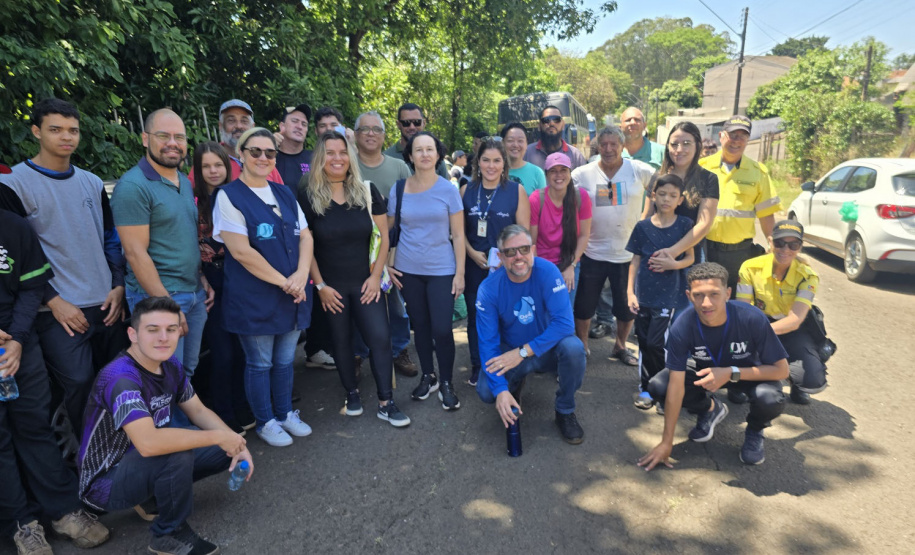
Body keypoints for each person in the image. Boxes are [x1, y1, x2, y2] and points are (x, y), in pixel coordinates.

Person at [78, 296, 253, 555]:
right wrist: (218, 436)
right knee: (175, 450)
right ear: (132, 334)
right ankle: (168, 535)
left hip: (140, 463)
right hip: (105, 481)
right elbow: (149, 444)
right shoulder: (121, 378)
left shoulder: (169, 364)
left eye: (171, 329)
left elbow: (198, 410)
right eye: (152, 330)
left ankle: (152, 497)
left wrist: (234, 442)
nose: (163, 337)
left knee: (225, 447)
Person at [0, 98, 127, 435]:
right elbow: (14, 259)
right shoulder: (13, 184)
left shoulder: (92, 182)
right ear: (36, 131)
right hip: (56, 310)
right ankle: (91, 464)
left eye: (73, 130)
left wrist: (118, 285)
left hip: (106, 302)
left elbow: (110, 238)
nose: (66, 137)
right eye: (55, 129)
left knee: (118, 381)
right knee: (81, 386)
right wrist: (53, 300)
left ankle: (128, 458)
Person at [1, 209, 110, 555]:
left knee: (35, 428)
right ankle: (21, 524)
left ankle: (62, 512)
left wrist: (17, 338)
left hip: (19, 344)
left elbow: (32, 287)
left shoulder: (12, 225)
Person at [212, 128, 314, 447]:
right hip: (255, 298)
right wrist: (288, 282)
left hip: (293, 293)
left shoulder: (283, 193)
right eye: (255, 151)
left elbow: (307, 236)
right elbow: (241, 252)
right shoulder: (228, 196)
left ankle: (284, 413)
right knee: (260, 363)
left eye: (270, 153)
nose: (263, 158)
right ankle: (265, 421)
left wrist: (300, 275)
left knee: (285, 360)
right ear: (240, 154)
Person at [301, 131, 411, 426]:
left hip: (366, 283)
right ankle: (351, 393)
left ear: (350, 157)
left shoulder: (366, 190)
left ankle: (386, 402)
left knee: (380, 338)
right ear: (320, 159)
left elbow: (383, 238)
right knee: (342, 343)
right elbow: (306, 245)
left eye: (342, 152)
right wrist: (320, 286)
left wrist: (376, 276)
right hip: (331, 287)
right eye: (330, 153)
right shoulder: (308, 196)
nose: (337, 158)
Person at [638, 263, 789, 469]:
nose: (706, 303)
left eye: (714, 294)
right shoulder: (682, 326)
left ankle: (755, 429)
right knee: (658, 386)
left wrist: (730, 373)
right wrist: (666, 442)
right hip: (706, 372)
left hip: (747, 375)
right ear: (689, 295)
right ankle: (709, 408)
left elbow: (781, 370)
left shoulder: (752, 318)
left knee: (770, 399)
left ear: (727, 293)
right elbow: (676, 385)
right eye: (699, 295)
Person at [112, 109, 213, 381]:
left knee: (184, 373)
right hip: (157, 298)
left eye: (179, 137)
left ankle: (182, 424)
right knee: (162, 376)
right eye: (163, 136)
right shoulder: (133, 186)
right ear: (145, 139)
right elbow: (134, 253)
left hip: (192, 292)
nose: (173, 143)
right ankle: (164, 425)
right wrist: (168, 306)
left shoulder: (182, 180)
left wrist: (200, 277)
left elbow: (182, 237)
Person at [475, 225, 587, 444]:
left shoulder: (548, 272)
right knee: (488, 391)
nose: (519, 257)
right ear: (500, 256)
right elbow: (487, 343)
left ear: (533, 250)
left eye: (524, 249)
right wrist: (500, 390)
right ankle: (512, 389)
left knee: (574, 349)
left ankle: (565, 410)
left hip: (544, 349)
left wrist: (523, 352)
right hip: (512, 351)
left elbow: (565, 325)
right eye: (510, 252)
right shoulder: (488, 289)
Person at [387, 131, 465, 410]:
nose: (424, 154)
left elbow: (458, 234)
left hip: (442, 269)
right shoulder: (398, 190)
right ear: (410, 156)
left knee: (443, 329)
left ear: (438, 154)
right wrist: (386, 264)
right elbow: (388, 231)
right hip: (408, 270)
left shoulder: (448, 190)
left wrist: (460, 273)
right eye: (418, 150)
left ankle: (446, 381)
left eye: (429, 149)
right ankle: (428, 376)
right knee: (419, 328)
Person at [571, 126, 653, 364]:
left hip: (626, 254)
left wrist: (647, 219)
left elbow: (663, 188)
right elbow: (565, 201)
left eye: (613, 144)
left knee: (626, 308)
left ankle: (620, 346)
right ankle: (583, 347)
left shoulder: (638, 170)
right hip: (591, 252)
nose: (608, 149)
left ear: (622, 146)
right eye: (603, 145)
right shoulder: (582, 174)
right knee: (584, 306)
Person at [191, 142, 252, 434]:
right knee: (222, 352)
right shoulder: (191, 202)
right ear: (198, 171)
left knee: (242, 351)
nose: (213, 171)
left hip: (240, 279)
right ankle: (223, 414)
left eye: (218, 165)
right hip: (211, 280)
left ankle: (242, 406)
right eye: (206, 166)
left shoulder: (238, 197)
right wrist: (201, 277)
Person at [460, 138, 530, 386]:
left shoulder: (515, 191)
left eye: (496, 160)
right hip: (474, 264)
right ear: (478, 162)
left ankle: (508, 362)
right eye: (486, 160)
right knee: (476, 316)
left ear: (504, 164)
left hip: (506, 265)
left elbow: (523, 234)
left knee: (507, 315)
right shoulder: (466, 190)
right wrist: (470, 252)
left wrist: (508, 258)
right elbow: (458, 233)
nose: (491, 166)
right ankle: (479, 365)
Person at [352, 110, 417, 377]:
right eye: (364, 129)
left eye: (376, 129)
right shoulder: (347, 164)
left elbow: (407, 211)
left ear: (383, 135)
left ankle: (399, 349)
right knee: (358, 305)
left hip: (391, 250)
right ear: (355, 135)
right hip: (353, 250)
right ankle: (357, 353)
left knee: (396, 306)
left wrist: (389, 254)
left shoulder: (399, 167)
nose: (370, 134)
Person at [737, 220, 826, 405]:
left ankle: (797, 383)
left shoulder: (808, 276)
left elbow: (795, 320)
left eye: (793, 244)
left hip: (791, 328)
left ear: (800, 247)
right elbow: (742, 309)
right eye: (779, 243)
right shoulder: (749, 267)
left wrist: (762, 334)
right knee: (738, 352)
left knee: (811, 378)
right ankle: (744, 383)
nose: (785, 249)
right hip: (758, 323)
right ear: (770, 241)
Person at [625, 174, 695, 409]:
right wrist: (630, 292)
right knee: (644, 342)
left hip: (669, 296)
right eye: (662, 194)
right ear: (653, 195)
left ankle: (664, 388)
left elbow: (690, 258)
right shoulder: (642, 226)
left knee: (657, 343)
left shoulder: (685, 225)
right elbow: (635, 261)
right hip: (643, 295)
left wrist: (673, 264)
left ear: (680, 199)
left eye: (673, 196)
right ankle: (647, 388)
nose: (666, 199)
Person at [699, 115, 780, 294]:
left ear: (748, 140)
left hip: (739, 254)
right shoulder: (702, 167)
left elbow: (766, 214)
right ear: (721, 136)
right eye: (732, 135)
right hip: (704, 249)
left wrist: (773, 244)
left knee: (736, 301)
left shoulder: (758, 172)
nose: (736, 140)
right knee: (704, 299)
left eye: (742, 136)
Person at [641, 121, 720, 266]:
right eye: (674, 144)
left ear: (697, 145)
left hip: (690, 257)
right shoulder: (658, 177)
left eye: (686, 143)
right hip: (656, 253)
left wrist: (672, 252)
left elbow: (704, 224)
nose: (679, 149)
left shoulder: (708, 179)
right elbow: (646, 216)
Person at [530, 153, 592, 306]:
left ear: (570, 173)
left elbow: (584, 235)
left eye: (563, 170)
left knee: (564, 312)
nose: (559, 175)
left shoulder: (580, 197)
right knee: (541, 311)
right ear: (546, 175)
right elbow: (531, 241)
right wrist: (537, 271)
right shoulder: (537, 199)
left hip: (569, 261)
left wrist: (571, 265)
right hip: (542, 263)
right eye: (553, 171)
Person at [205, 99, 284, 185]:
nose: (239, 126)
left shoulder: (264, 160)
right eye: (231, 120)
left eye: (244, 121)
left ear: (252, 127)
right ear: (220, 126)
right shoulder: (209, 158)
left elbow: (281, 195)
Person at [383, 103, 449, 179]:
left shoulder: (433, 156)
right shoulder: (386, 157)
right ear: (398, 124)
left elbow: (445, 188)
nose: (412, 127)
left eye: (417, 122)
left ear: (423, 123)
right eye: (406, 123)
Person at [523, 105, 587, 170]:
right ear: (539, 126)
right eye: (546, 120)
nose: (551, 123)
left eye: (556, 119)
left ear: (563, 125)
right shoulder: (526, 153)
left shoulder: (575, 156)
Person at [500, 122, 547, 195]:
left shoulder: (537, 173)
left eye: (520, 141)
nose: (515, 145)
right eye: (510, 140)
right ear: (502, 143)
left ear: (526, 144)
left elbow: (542, 204)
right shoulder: (494, 170)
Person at [275, 103, 313, 188]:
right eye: (294, 121)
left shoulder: (316, 158)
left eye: (304, 124)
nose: (299, 127)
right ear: (282, 126)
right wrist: (268, 147)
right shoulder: (268, 157)